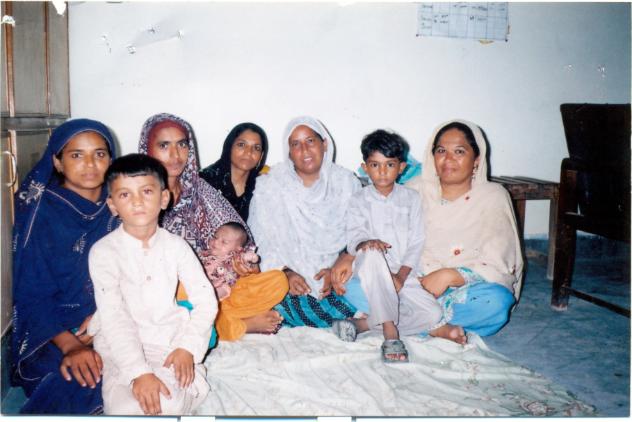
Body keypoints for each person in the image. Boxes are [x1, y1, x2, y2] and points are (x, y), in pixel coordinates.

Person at [88, 153, 216, 415]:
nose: (137, 202)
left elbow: (206, 301)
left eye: (146, 191)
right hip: (120, 346)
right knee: (125, 409)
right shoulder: (103, 252)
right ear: (112, 205)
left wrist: (187, 348)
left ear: (164, 198)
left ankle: (189, 381)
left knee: (166, 403)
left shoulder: (176, 247)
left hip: (168, 340)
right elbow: (114, 317)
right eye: (125, 194)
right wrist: (138, 372)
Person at [139, 113, 287, 339]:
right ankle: (236, 325)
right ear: (147, 149)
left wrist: (244, 266)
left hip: (220, 281)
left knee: (277, 281)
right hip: (180, 289)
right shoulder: (139, 196)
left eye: (182, 145)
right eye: (164, 145)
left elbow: (239, 236)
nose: (175, 154)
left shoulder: (200, 189)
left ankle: (218, 317)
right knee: (175, 293)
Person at [10, 119, 117, 414]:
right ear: (57, 162)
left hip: (114, 317)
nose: (90, 164)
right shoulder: (42, 213)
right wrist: (71, 345)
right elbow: (31, 292)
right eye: (76, 155)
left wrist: (106, 319)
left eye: (99, 154)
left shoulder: (120, 205)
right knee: (82, 379)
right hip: (56, 331)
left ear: (111, 159)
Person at [406, 120, 524, 344]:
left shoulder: (492, 196)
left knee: (496, 303)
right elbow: (387, 241)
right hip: (414, 284)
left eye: (459, 151)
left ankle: (404, 320)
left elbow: (498, 261)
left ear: (477, 159)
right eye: (441, 151)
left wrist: (449, 275)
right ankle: (434, 326)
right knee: (356, 285)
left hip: (464, 289)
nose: (448, 159)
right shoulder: (414, 189)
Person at [330, 129, 442, 362]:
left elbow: (416, 241)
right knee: (371, 251)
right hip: (370, 271)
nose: (382, 171)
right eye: (375, 165)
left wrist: (400, 276)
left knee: (433, 314)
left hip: (404, 274)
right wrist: (366, 242)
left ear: (401, 167)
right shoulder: (358, 200)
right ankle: (390, 333)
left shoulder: (411, 199)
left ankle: (363, 324)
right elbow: (353, 236)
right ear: (365, 167)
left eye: (389, 165)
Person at [248, 116, 363, 328]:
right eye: (295, 144)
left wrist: (338, 265)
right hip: (288, 280)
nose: (304, 150)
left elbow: (360, 231)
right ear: (289, 152)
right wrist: (285, 273)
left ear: (324, 144)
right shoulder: (271, 187)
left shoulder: (346, 183)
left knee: (367, 285)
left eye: (310, 141)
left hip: (338, 276)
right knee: (266, 294)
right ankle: (347, 320)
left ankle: (347, 318)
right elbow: (259, 241)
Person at [199, 122, 269, 221]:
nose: (249, 152)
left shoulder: (263, 186)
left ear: (261, 155)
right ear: (229, 147)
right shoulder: (204, 181)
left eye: (256, 148)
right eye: (241, 145)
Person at [201, 222, 260, 301]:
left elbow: (247, 260)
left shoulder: (235, 257)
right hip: (200, 280)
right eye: (215, 237)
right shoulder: (205, 253)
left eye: (224, 242)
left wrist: (252, 258)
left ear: (238, 249)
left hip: (221, 286)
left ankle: (204, 299)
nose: (216, 242)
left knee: (220, 290)